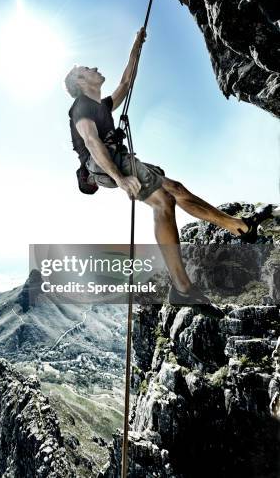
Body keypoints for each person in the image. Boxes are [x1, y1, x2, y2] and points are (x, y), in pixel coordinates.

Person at [65, 27, 263, 306]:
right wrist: (121, 178)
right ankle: (182, 288)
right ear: (81, 80)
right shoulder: (81, 105)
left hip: (116, 159)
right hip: (105, 163)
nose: (94, 67)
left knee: (175, 189)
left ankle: (238, 226)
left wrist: (136, 45)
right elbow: (91, 140)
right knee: (163, 201)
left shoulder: (101, 105)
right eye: (87, 68)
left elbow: (125, 83)